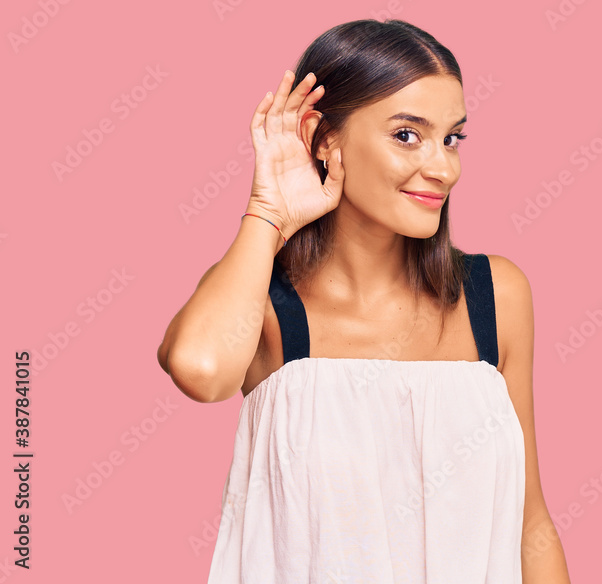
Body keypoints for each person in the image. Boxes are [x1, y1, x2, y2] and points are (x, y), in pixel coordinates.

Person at [156, 19, 571, 583]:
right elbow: (200, 370)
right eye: (407, 134)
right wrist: (269, 211)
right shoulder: (265, 301)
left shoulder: (494, 295)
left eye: (452, 138)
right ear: (325, 139)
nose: (443, 167)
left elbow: (531, 527)